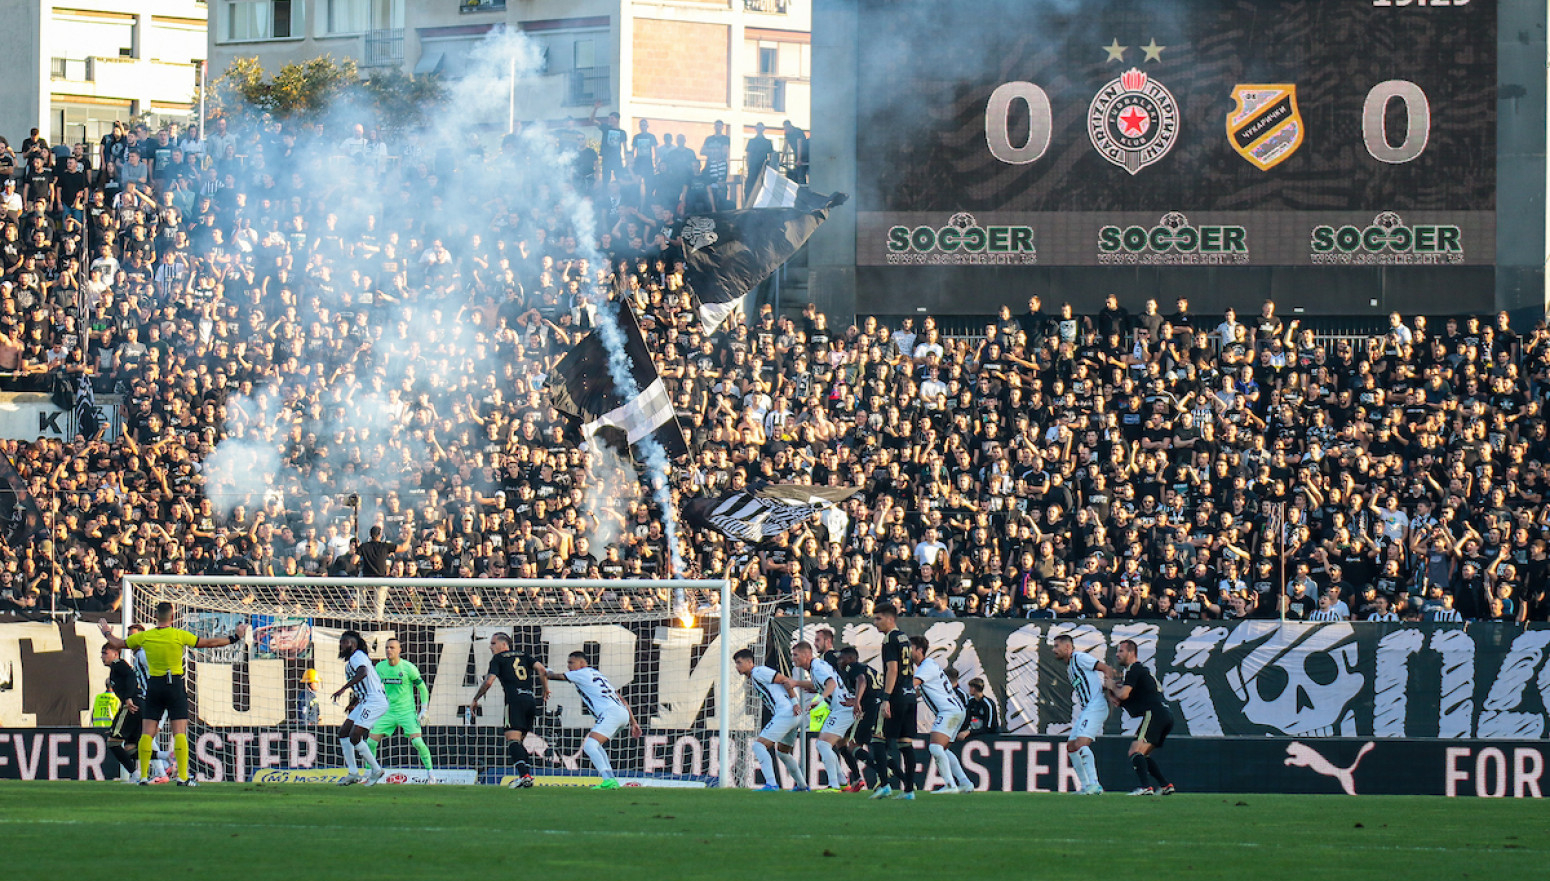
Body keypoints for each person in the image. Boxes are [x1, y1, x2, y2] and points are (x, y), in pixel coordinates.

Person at [98, 603, 247, 786]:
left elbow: (118, 643)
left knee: (147, 734)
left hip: (154, 687)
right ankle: (183, 777)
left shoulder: (146, 636)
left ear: (155, 616)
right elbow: (209, 643)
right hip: (174, 685)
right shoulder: (178, 634)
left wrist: (106, 632)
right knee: (179, 733)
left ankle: (143, 777)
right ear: (173, 615)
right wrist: (235, 637)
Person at [544, 651, 640, 790]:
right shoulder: (598, 675)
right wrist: (633, 722)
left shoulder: (582, 673)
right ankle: (611, 780)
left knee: (590, 746)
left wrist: (544, 669)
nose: (569, 666)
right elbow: (621, 698)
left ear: (582, 663)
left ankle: (608, 780)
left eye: (571, 663)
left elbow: (553, 676)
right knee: (597, 746)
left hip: (610, 713)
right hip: (621, 713)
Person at [470, 632, 546, 788]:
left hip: (514, 701)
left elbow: (489, 682)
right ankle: (526, 777)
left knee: (512, 740)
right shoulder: (524, 655)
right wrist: (546, 689)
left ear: (503, 644)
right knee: (520, 741)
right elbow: (541, 669)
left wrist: (476, 698)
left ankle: (524, 775)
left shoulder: (498, 659)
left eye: (493, 643)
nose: (490, 647)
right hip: (530, 701)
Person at [1105, 639, 1176, 796]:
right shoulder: (1140, 671)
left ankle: (1145, 787)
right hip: (1165, 715)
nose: (1117, 654)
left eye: (1121, 651)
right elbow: (1121, 700)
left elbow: (1123, 694)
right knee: (1142, 754)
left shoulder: (1134, 669)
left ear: (1131, 653)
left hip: (1155, 714)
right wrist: (1112, 691)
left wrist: (1112, 687)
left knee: (1134, 751)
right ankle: (1165, 785)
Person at [733, 647, 807, 791]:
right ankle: (802, 786)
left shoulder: (759, 672)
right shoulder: (754, 677)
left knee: (758, 746)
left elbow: (785, 680)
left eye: (739, 663)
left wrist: (794, 703)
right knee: (783, 753)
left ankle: (772, 784)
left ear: (749, 662)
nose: (737, 667)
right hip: (792, 715)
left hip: (786, 712)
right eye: (736, 664)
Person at [909, 636, 974, 793]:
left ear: (919, 650)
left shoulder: (926, 667)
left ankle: (950, 785)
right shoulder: (928, 666)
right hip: (956, 710)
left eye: (910, 648)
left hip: (949, 711)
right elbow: (919, 691)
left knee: (935, 748)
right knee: (942, 750)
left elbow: (912, 684)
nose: (907, 651)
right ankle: (965, 783)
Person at [1052, 633, 1114, 795]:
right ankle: (1086, 786)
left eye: (1057, 646)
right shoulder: (1070, 667)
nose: (1054, 650)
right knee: (1071, 747)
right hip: (1088, 708)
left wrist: (1109, 685)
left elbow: (1106, 668)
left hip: (1096, 705)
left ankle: (1095, 784)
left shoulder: (1079, 658)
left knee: (1081, 743)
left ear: (1067, 647)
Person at [368, 637, 436, 783]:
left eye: (392, 647)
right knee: (370, 742)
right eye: (387, 647)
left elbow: (422, 688)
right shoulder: (380, 668)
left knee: (418, 742)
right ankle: (370, 773)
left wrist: (424, 709)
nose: (388, 650)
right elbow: (373, 687)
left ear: (399, 650)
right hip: (387, 712)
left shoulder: (408, 668)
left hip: (407, 712)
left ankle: (431, 774)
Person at [871, 603, 917, 800]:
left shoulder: (889, 639)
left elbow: (892, 670)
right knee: (905, 743)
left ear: (891, 619)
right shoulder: (904, 637)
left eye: (878, 619)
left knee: (877, 738)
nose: (875, 623)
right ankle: (908, 791)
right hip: (910, 695)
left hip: (896, 695)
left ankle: (885, 785)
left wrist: (885, 698)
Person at [330, 630, 388, 786]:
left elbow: (363, 672)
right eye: (340, 642)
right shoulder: (353, 660)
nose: (341, 646)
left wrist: (343, 689)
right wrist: (353, 702)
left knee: (355, 736)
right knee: (344, 732)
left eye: (344, 642)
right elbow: (363, 682)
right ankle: (353, 773)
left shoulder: (358, 657)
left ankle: (376, 770)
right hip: (365, 700)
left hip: (375, 700)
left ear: (353, 645)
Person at [793, 639, 852, 791]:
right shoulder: (815, 667)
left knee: (823, 744)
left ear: (806, 654)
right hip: (841, 707)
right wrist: (798, 684)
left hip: (842, 707)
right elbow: (822, 684)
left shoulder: (817, 666)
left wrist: (818, 699)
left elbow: (831, 683)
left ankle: (835, 784)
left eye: (796, 655)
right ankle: (842, 782)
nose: (793, 658)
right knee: (825, 744)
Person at [837, 644, 879, 792]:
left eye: (841, 658)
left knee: (853, 746)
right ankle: (857, 778)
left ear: (850, 658)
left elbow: (861, 680)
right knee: (842, 742)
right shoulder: (868, 668)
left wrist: (856, 702)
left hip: (870, 709)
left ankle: (881, 770)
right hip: (877, 706)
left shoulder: (853, 668)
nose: (839, 662)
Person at [101, 643, 143, 782]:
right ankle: (164, 758)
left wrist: (128, 697)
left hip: (131, 705)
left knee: (113, 743)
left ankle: (135, 774)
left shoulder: (119, 664)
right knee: (130, 747)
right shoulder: (116, 668)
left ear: (115, 654)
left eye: (105, 653)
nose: (102, 657)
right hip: (138, 705)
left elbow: (131, 677)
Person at [959, 678, 999, 743]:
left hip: (991, 737)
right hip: (976, 732)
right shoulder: (971, 702)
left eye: (970, 687)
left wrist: (969, 732)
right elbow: (967, 720)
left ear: (974, 689)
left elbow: (989, 727)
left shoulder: (987, 704)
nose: (969, 690)